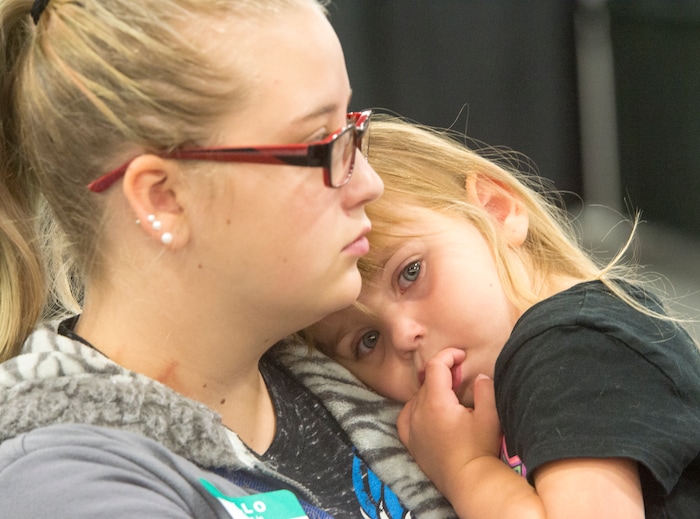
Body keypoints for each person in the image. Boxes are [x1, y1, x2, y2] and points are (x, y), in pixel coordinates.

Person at [0, 2, 455, 518]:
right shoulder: (66, 485)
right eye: (319, 144)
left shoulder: (350, 370)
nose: (368, 183)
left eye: (350, 131)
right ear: (163, 199)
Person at [304, 116, 700, 518]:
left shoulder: (569, 343)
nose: (404, 337)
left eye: (410, 272)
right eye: (368, 341)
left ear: (497, 210)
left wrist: (465, 470)